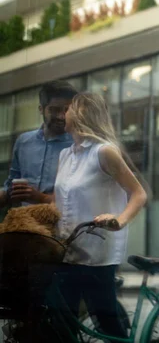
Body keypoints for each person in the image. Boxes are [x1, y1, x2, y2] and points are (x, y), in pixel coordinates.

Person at [54, 92, 147, 340]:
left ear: (84, 113)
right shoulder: (65, 155)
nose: (64, 114)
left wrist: (119, 220)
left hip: (97, 255)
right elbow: (61, 201)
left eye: (69, 108)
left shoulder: (104, 152)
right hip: (65, 252)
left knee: (108, 328)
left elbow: (138, 194)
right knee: (65, 327)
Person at [0, 80, 78, 211]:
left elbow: (78, 196)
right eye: (54, 110)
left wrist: (38, 197)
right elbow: (10, 187)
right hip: (25, 222)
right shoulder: (23, 142)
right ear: (41, 109)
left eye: (66, 110)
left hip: (63, 224)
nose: (61, 116)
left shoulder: (78, 144)